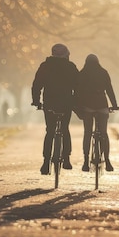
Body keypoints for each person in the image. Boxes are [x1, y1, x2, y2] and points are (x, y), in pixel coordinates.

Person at [31, 43, 79, 175]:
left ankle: (46, 163)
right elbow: (79, 86)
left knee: (50, 131)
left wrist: (36, 101)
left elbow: (36, 85)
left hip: (49, 104)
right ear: (66, 55)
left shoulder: (45, 66)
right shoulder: (70, 67)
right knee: (64, 129)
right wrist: (76, 101)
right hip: (66, 103)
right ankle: (67, 159)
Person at [74, 54, 119, 172]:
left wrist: (79, 107)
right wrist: (114, 104)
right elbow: (109, 89)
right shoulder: (103, 72)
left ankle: (85, 161)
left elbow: (77, 92)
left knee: (88, 133)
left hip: (87, 107)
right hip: (102, 105)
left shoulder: (82, 73)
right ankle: (108, 161)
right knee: (103, 133)